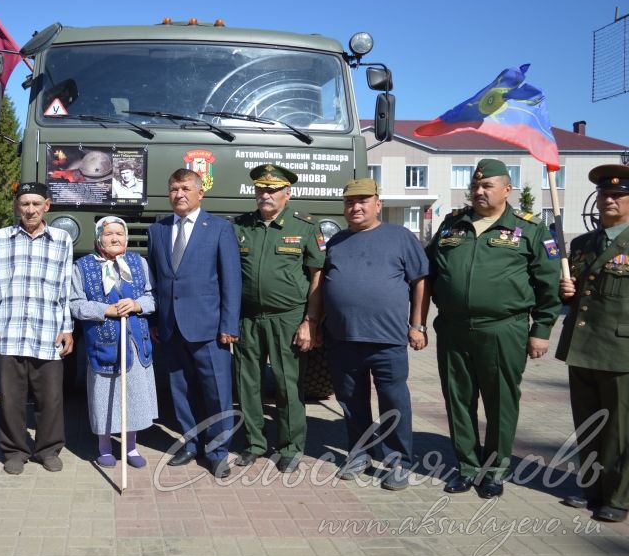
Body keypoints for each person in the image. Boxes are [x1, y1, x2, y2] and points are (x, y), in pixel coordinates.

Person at [426, 158, 561, 498]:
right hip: (454, 328)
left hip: (503, 328)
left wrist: (542, 329)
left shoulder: (529, 229)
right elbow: (425, 270)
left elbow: (549, 284)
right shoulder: (451, 225)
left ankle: (495, 470)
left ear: (507, 190)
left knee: (500, 400)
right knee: (458, 399)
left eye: (487, 186)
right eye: (475, 186)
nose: (479, 191)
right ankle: (467, 466)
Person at [318, 179, 429, 490]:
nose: (356, 207)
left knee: (393, 402)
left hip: (388, 340)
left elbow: (420, 281)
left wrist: (417, 325)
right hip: (342, 338)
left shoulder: (400, 237)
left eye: (363, 200)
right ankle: (360, 454)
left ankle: (399, 462)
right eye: (350, 201)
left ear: (377, 204)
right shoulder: (336, 242)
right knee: (352, 402)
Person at [147, 168, 241, 479]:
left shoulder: (218, 229)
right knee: (180, 389)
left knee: (216, 391)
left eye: (186, 188)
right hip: (171, 327)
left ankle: (217, 451)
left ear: (200, 192)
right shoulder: (158, 230)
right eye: (174, 189)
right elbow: (156, 281)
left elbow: (231, 281)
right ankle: (190, 442)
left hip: (209, 327)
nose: (179, 194)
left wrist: (229, 325)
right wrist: (155, 320)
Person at [232, 164, 324, 474]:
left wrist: (310, 321)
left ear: (288, 193)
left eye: (273, 189)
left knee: (288, 384)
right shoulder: (241, 226)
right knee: (248, 384)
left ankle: (290, 447)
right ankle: (254, 443)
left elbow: (317, 277)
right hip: (248, 318)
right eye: (261, 189)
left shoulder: (305, 227)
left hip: (288, 319)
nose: (266, 194)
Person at [0, 182, 74, 475]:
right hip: (10, 331)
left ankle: (48, 449)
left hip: (47, 330)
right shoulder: (1, 238)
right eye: (25, 204)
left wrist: (67, 327)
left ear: (47, 205)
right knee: (11, 398)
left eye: (36, 203)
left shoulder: (61, 239)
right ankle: (14, 450)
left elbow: (65, 286)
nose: (30, 209)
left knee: (51, 398)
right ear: (16, 206)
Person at [556, 164, 629, 522]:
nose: (610, 200)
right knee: (589, 425)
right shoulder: (584, 243)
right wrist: (565, 293)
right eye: (604, 194)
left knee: (619, 430)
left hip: (621, 351)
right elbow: (580, 296)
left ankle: (617, 498)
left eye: (618, 195)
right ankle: (592, 489)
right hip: (582, 346)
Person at [69, 216, 158, 468]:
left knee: (133, 396)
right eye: (108, 234)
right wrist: (105, 310)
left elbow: (152, 297)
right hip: (104, 344)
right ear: (99, 239)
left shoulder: (138, 263)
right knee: (105, 396)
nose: (115, 238)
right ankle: (105, 446)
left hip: (135, 343)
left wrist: (137, 304)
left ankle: (130, 448)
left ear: (127, 238)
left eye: (120, 233)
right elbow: (75, 304)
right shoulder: (83, 266)